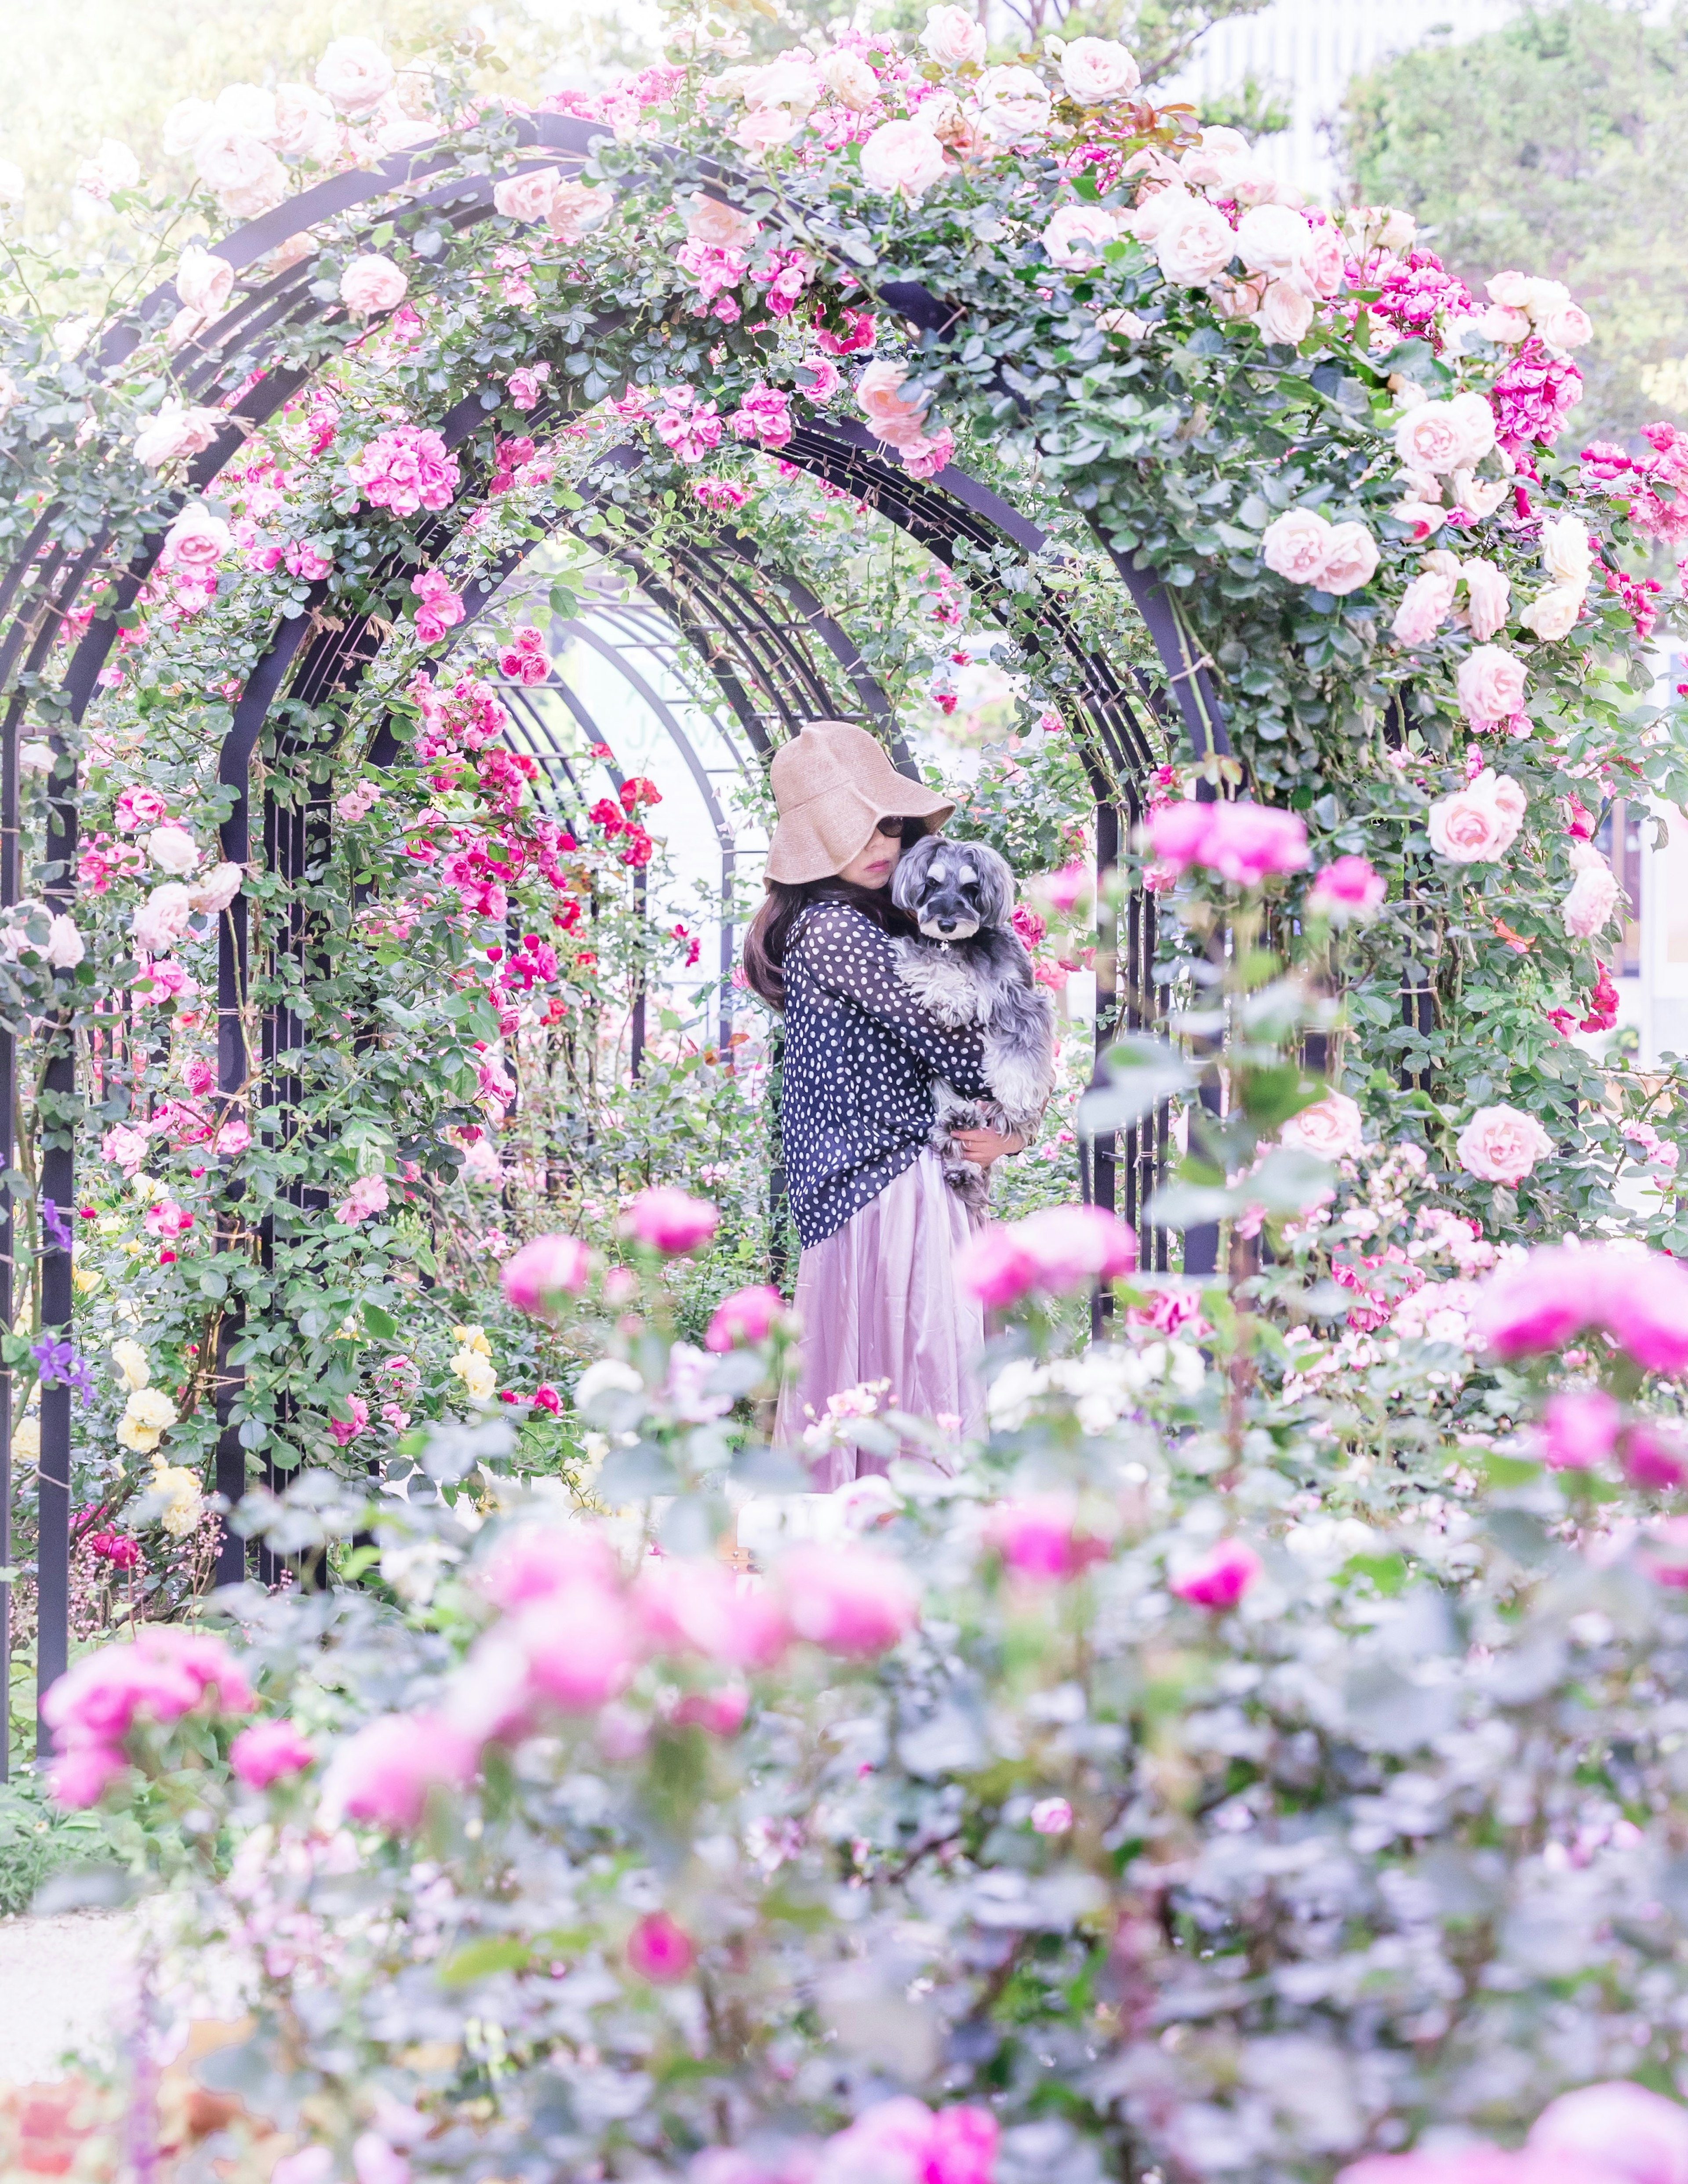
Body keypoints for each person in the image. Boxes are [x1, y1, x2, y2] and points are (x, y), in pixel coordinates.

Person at [742, 720, 1031, 1484]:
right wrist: (1014, 1121)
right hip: (883, 1189)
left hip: (877, 1186)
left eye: (891, 826)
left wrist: (1006, 1128)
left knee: (880, 1393)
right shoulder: (836, 930)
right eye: (858, 828)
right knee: (913, 1389)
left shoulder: (858, 925)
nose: (882, 845)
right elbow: (959, 1049)